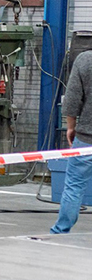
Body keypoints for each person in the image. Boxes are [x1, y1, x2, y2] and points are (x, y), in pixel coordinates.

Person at [52, 50, 92, 234]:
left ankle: (61, 230)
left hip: (86, 138)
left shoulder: (85, 60)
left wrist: (71, 127)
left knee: (74, 186)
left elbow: (72, 100)